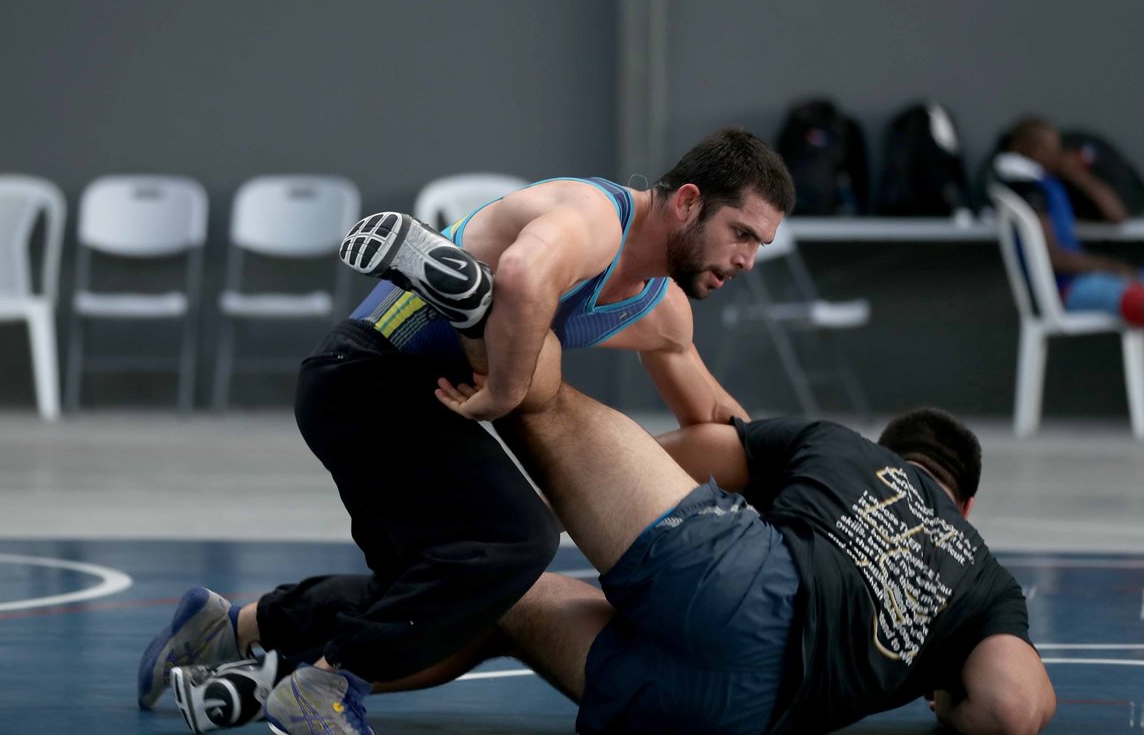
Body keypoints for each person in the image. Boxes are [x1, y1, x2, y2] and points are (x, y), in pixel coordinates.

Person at [137, 127, 796, 734]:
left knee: (443, 587)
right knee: (516, 539)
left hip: (402, 398)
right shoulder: (597, 214)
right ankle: (324, 684)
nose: (748, 260)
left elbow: (719, 426)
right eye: (742, 233)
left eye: (760, 245)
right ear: (686, 201)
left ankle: (228, 627)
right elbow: (524, 271)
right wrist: (508, 388)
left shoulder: (664, 313)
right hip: (368, 372)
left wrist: (795, 494)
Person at [433, 333, 1057, 734]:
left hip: (742, 587)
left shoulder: (841, 447)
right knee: (516, 606)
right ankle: (329, 682)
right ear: (966, 505)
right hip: (737, 712)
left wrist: (564, 497)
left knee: (545, 420)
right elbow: (1013, 709)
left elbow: (709, 443)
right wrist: (946, 695)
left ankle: (482, 307)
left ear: (884, 454)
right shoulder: (986, 582)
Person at [993, 115, 1144, 325]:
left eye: (1056, 149)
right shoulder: (1025, 187)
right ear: (1021, 149)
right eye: (1044, 150)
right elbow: (1053, 257)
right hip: (1066, 288)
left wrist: (1078, 175)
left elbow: (1117, 216)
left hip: (1088, 279)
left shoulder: (1051, 182)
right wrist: (1113, 267)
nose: (1053, 156)